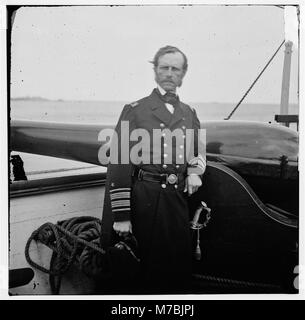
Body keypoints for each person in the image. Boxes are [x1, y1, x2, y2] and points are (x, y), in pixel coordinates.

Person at [101, 45, 206, 294]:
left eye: (175, 69)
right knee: (142, 274)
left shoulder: (189, 113)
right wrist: (122, 216)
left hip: (176, 201)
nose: (169, 73)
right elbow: (118, 162)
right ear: (155, 71)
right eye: (164, 68)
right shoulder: (135, 110)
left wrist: (194, 172)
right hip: (143, 201)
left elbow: (199, 150)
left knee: (175, 269)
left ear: (183, 74)